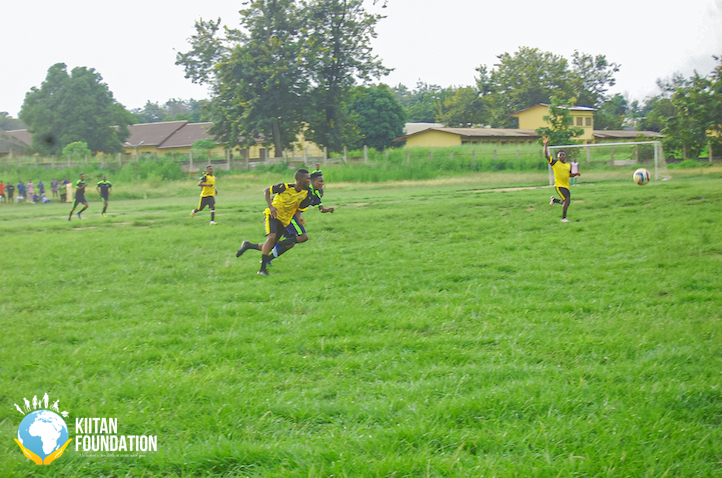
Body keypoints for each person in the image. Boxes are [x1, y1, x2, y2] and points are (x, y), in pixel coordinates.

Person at [235, 169, 312, 276]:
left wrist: (299, 218)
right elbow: (267, 190)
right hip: (273, 216)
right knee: (271, 238)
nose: (309, 180)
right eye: (307, 178)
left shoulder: (305, 193)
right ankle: (262, 269)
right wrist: (270, 207)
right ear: (299, 179)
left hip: (285, 221)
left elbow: (298, 209)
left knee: (271, 245)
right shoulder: (284, 187)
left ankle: (248, 245)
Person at [267, 170, 334, 266]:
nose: (322, 184)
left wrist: (328, 210)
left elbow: (321, 208)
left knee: (290, 243)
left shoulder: (315, 194)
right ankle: (276, 245)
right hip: (289, 216)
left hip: (294, 217)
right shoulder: (305, 189)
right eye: (320, 181)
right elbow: (293, 192)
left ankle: (265, 257)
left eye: (322, 181)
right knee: (303, 237)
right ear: (312, 181)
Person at [543, 136, 580, 223]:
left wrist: (576, 174)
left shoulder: (568, 165)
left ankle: (554, 200)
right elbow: (546, 155)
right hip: (559, 185)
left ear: (565, 156)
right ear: (558, 156)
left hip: (566, 185)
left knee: (566, 201)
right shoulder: (555, 163)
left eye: (563, 155)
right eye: (560, 155)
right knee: (567, 200)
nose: (562, 156)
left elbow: (569, 175)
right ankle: (563, 218)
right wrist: (546, 144)